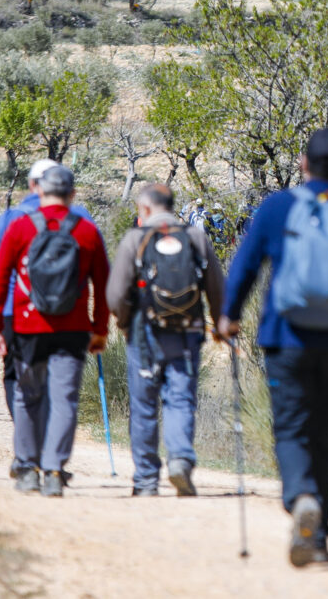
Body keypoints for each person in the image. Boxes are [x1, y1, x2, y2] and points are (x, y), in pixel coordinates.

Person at [218, 129, 328, 567]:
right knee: (322, 435)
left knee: (291, 427)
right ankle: (319, 538)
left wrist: (229, 315)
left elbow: (245, 265)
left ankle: (301, 499)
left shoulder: (278, 208)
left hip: (285, 338)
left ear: (302, 162)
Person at [0, 166, 110, 497]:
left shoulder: (20, 227)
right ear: (73, 194)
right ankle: (54, 470)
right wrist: (100, 330)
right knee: (64, 398)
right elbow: (103, 284)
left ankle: (27, 467)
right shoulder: (86, 231)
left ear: (39, 191)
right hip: (72, 329)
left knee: (28, 396)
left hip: (27, 328)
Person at [106, 183, 225, 498]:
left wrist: (124, 322)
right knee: (180, 398)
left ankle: (146, 479)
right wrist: (219, 321)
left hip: (145, 332)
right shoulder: (196, 237)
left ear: (144, 209)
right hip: (187, 331)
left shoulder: (135, 238)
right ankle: (180, 460)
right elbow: (215, 285)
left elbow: (116, 294)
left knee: (144, 404)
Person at [0, 159, 100, 424]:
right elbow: (98, 268)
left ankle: (27, 433)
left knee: (16, 376)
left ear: (33, 185)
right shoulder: (82, 219)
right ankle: (52, 443)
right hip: (70, 311)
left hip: (16, 313)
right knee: (62, 382)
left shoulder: (11, 217)